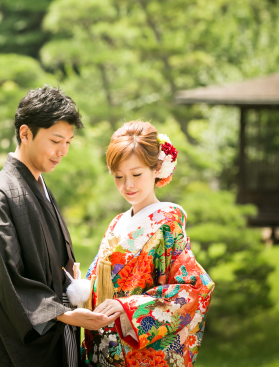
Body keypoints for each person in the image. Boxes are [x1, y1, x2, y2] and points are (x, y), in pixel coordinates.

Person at [0, 86, 113, 367]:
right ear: (25, 133)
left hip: (61, 329)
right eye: (56, 140)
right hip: (28, 341)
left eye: (68, 142)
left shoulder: (39, 185)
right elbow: (7, 277)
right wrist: (62, 314)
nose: (63, 151)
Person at [83, 121, 215, 367]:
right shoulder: (117, 223)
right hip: (103, 348)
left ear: (157, 168)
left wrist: (126, 306)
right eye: (119, 176)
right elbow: (98, 281)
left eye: (136, 174)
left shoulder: (168, 224)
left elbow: (191, 290)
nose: (127, 185)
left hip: (138, 352)